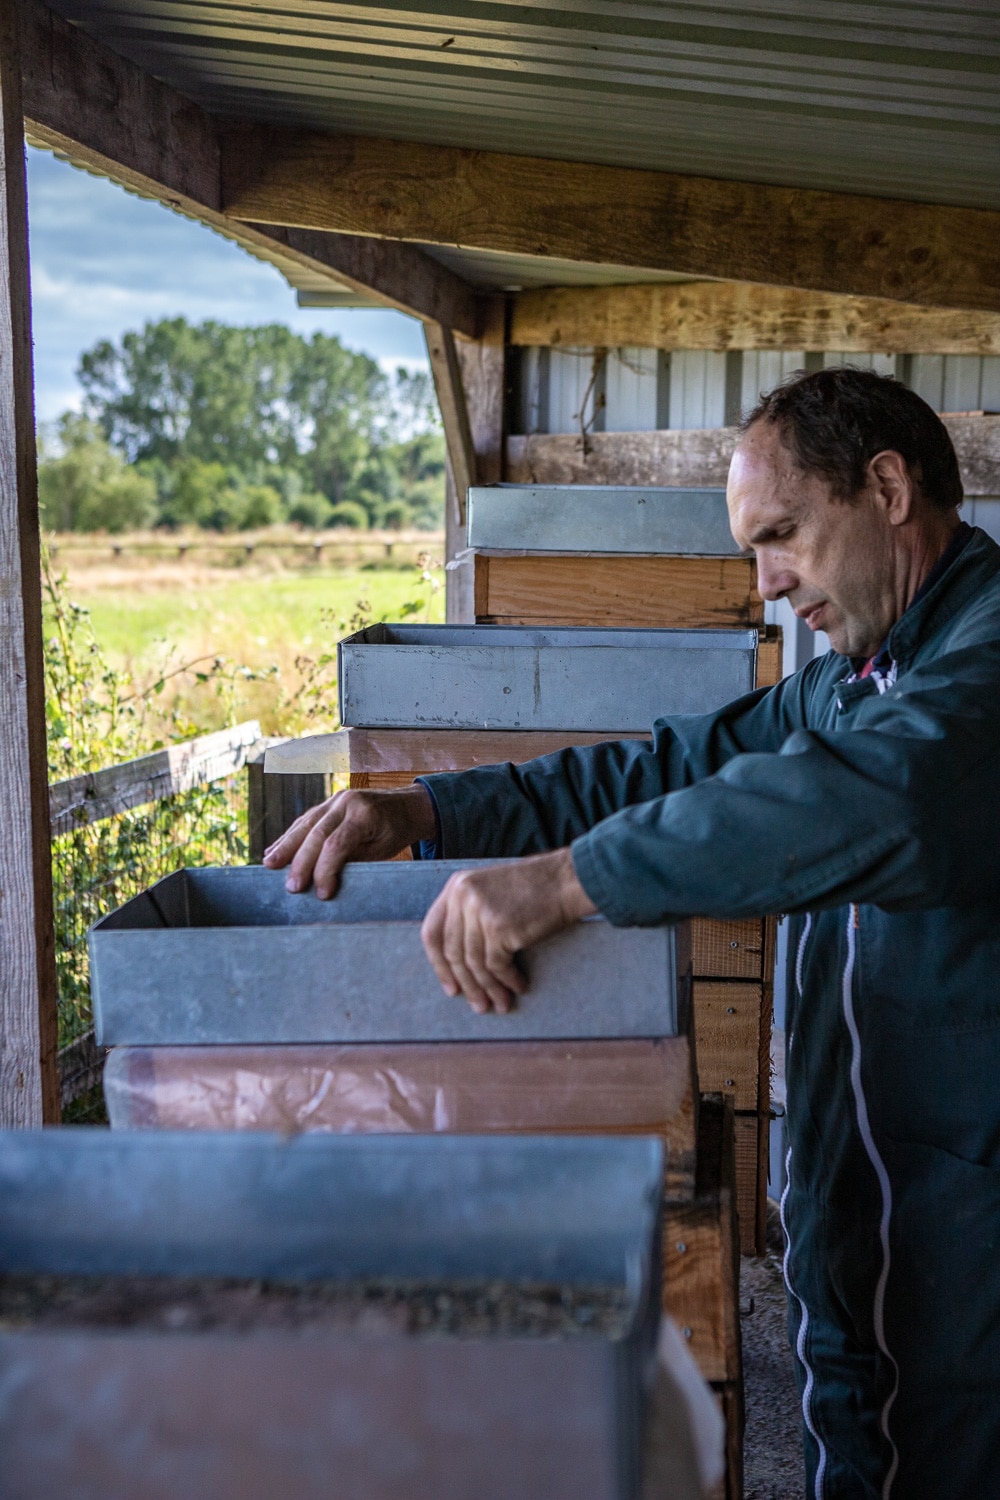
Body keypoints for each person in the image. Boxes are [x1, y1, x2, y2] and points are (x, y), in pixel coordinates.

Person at [265, 367, 1000, 1500]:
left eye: (781, 537)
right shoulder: (857, 676)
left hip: (963, 1240)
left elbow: (878, 803)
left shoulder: (979, 665)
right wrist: (426, 810)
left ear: (888, 487)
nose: (764, 587)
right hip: (858, 1204)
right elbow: (669, 766)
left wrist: (567, 886)